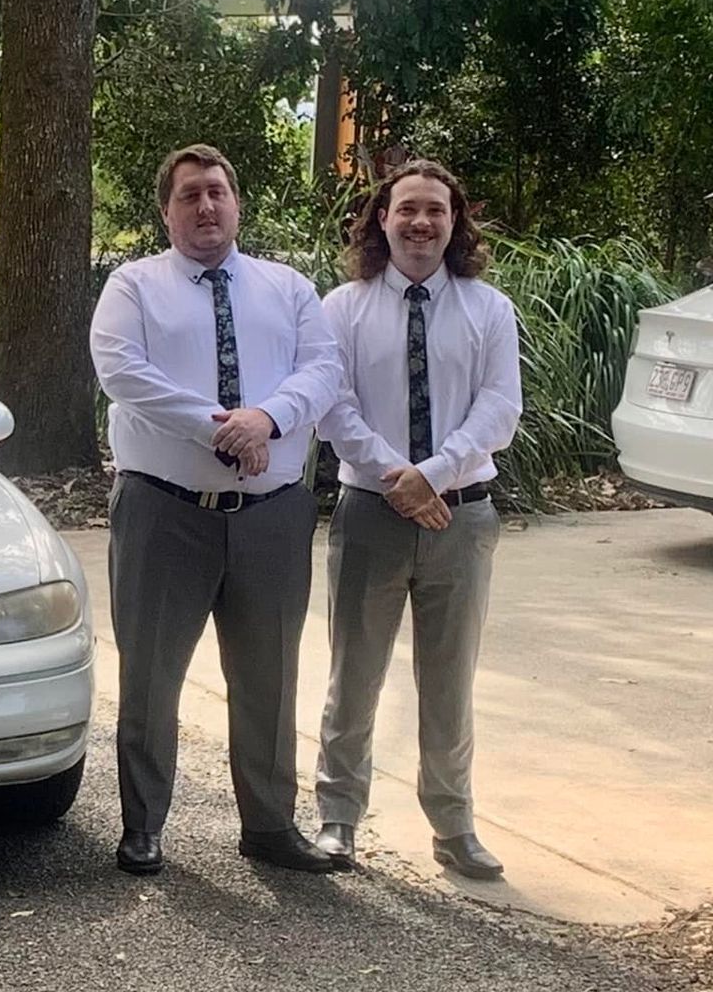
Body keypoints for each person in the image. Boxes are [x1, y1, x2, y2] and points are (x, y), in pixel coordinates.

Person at [89, 144, 344, 877]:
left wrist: (265, 419)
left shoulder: (288, 287)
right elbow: (123, 374)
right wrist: (218, 425)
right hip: (165, 512)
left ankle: (269, 827)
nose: (207, 206)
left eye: (218, 192)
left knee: (269, 675)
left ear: (238, 202)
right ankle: (143, 828)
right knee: (151, 677)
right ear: (166, 211)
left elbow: (323, 368)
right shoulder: (133, 287)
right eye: (190, 195)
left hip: (270, 516)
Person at [313, 160, 522, 879]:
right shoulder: (343, 307)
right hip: (369, 516)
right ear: (381, 218)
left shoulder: (488, 309)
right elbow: (333, 408)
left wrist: (429, 475)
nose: (421, 223)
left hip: (461, 522)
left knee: (449, 681)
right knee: (355, 675)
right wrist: (394, 478)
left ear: (455, 222)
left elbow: (499, 410)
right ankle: (338, 819)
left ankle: (454, 827)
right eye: (407, 209)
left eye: (436, 210)